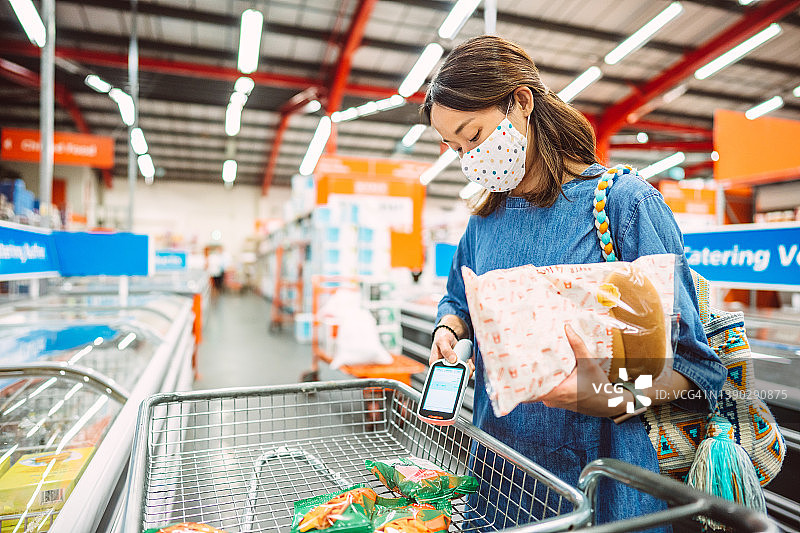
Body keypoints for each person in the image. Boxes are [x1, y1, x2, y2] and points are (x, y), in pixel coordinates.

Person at [424, 36, 726, 528]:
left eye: (473, 136)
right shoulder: (484, 223)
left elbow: (698, 376)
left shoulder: (624, 207)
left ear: (521, 102)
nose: (468, 159)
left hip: (601, 487)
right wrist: (451, 327)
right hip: (501, 479)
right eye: (455, 147)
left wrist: (602, 392)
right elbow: (457, 297)